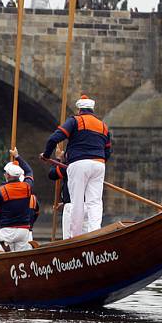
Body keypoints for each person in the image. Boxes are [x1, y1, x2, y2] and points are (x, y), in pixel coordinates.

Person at [41, 95, 111, 238]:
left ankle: (76, 237)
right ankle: (95, 232)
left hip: (79, 164)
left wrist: (47, 155)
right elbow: (108, 151)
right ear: (92, 109)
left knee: (77, 201)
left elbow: (54, 138)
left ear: (79, 109)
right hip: (99, 164)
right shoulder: (103, 126)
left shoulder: (75, 121)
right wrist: (97, 162)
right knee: (95, 202)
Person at [0, 148, 34, 252]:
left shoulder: (2, 190)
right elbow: (29, 171)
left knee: (3, 259)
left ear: (8, 175)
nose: (4, 174)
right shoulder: (27, 187)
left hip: (7, 230)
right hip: (23, 230)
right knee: (21, 259)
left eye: (5, 173)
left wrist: (1, 219)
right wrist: (17, 156)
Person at [47, 164, 72, 239]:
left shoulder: (72, 162)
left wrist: (57, 159)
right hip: (89, 206)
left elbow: (53, 174)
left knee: (69, 239)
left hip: (72, 207)